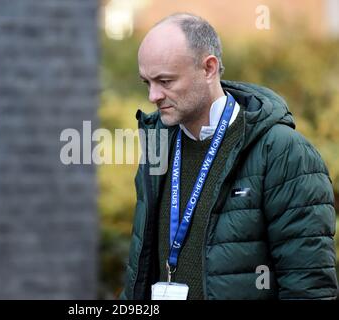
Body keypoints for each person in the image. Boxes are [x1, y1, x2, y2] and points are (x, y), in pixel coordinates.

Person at [120, 13, 338, 300]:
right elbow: (141, 269)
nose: (153, 96)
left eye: (165, 81)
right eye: (146, 83)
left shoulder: (283, 152)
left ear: (209, 68)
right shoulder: (158, 144)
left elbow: (308, 289)